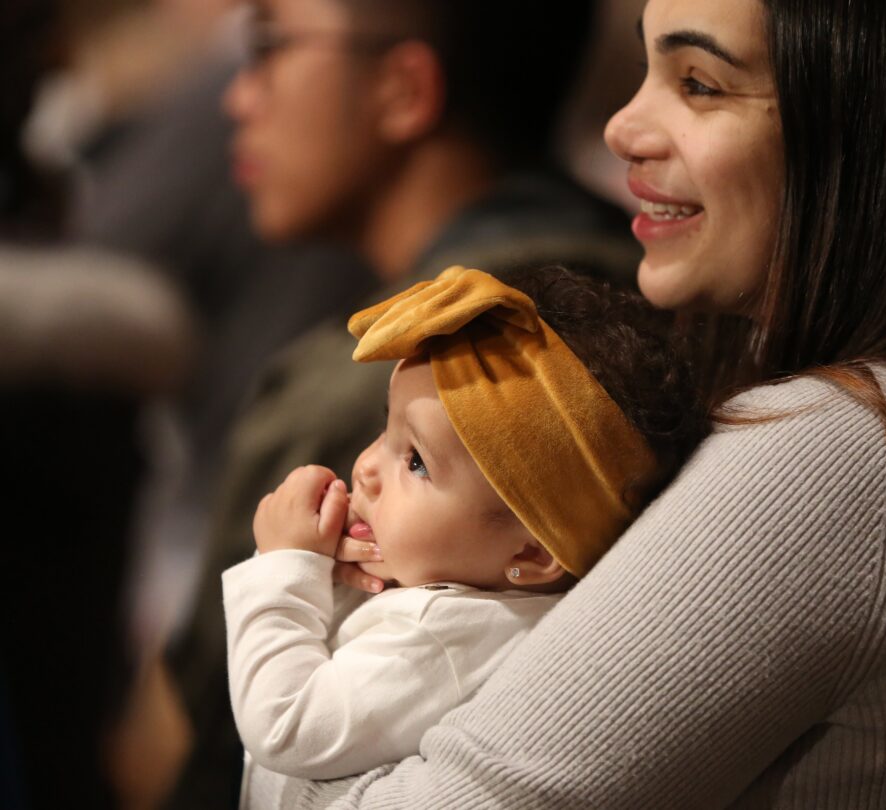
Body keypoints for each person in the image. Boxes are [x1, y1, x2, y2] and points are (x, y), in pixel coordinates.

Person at [255, 0, 886, 807]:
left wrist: (303, 621)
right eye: (646, 69)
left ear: (866, 125)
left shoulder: (854, 454)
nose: (623, 126)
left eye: (699, 84)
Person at [158, 1, 643, 805]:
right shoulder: (631, 301)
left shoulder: (481, 370)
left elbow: (200, 734)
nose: (237, 97)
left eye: (271, 46)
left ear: (402, 87)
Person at [226, 266, 703, 803]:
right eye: (387, 427)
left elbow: (286, 726)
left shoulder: (443, 636)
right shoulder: (458, 594)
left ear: (532, 550)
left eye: (417, 462)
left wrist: (283, 567)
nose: (365, 470)